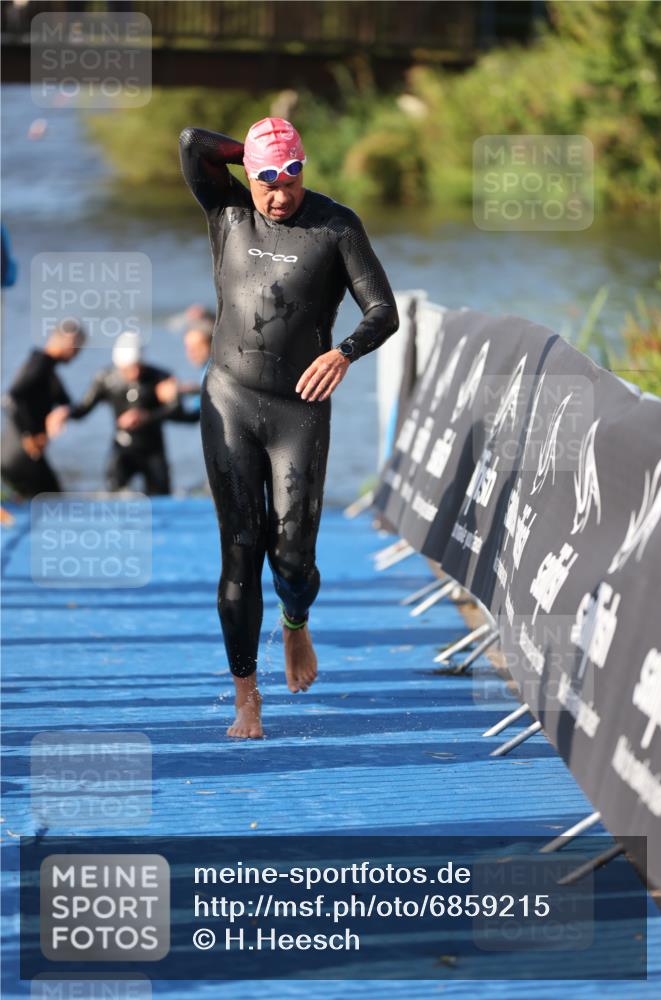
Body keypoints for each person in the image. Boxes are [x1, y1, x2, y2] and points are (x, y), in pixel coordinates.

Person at [179, 116, 399, 739]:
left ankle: (295, 623)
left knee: (294, 557)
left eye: (292, 175)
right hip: (231, 397)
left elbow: (383, 311)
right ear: (247, 176)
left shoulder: (335, 225)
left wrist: (344, 352)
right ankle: (247, 696)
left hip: (299, 408)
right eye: (267, 179)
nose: (281, 192)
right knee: (240, 552)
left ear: (305, 168)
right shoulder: (225, 211)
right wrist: (252, 151)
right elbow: (193, 143)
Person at [59, 331, 182, 495]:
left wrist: (147, 416)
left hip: (153, 450)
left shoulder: (159, 377)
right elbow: (83, 409)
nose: (135, 373)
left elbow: (179, 412)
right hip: (122, 448)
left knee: (162, 498)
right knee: (114, 495)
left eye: (138, 366)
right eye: (128, 369)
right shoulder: (105, 378)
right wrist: (65, 412)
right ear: (118, 365)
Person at [1, 320, 86, 498]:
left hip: (24, 455)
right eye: (77, 346)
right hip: (19, 453)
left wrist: (65, 412)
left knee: (46, 503)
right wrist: (28, 435)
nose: (78, 353)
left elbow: (71, 407)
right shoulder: (41, 363)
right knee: (52, 501)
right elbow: (10, 399)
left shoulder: (50, 371)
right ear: (66, 341)